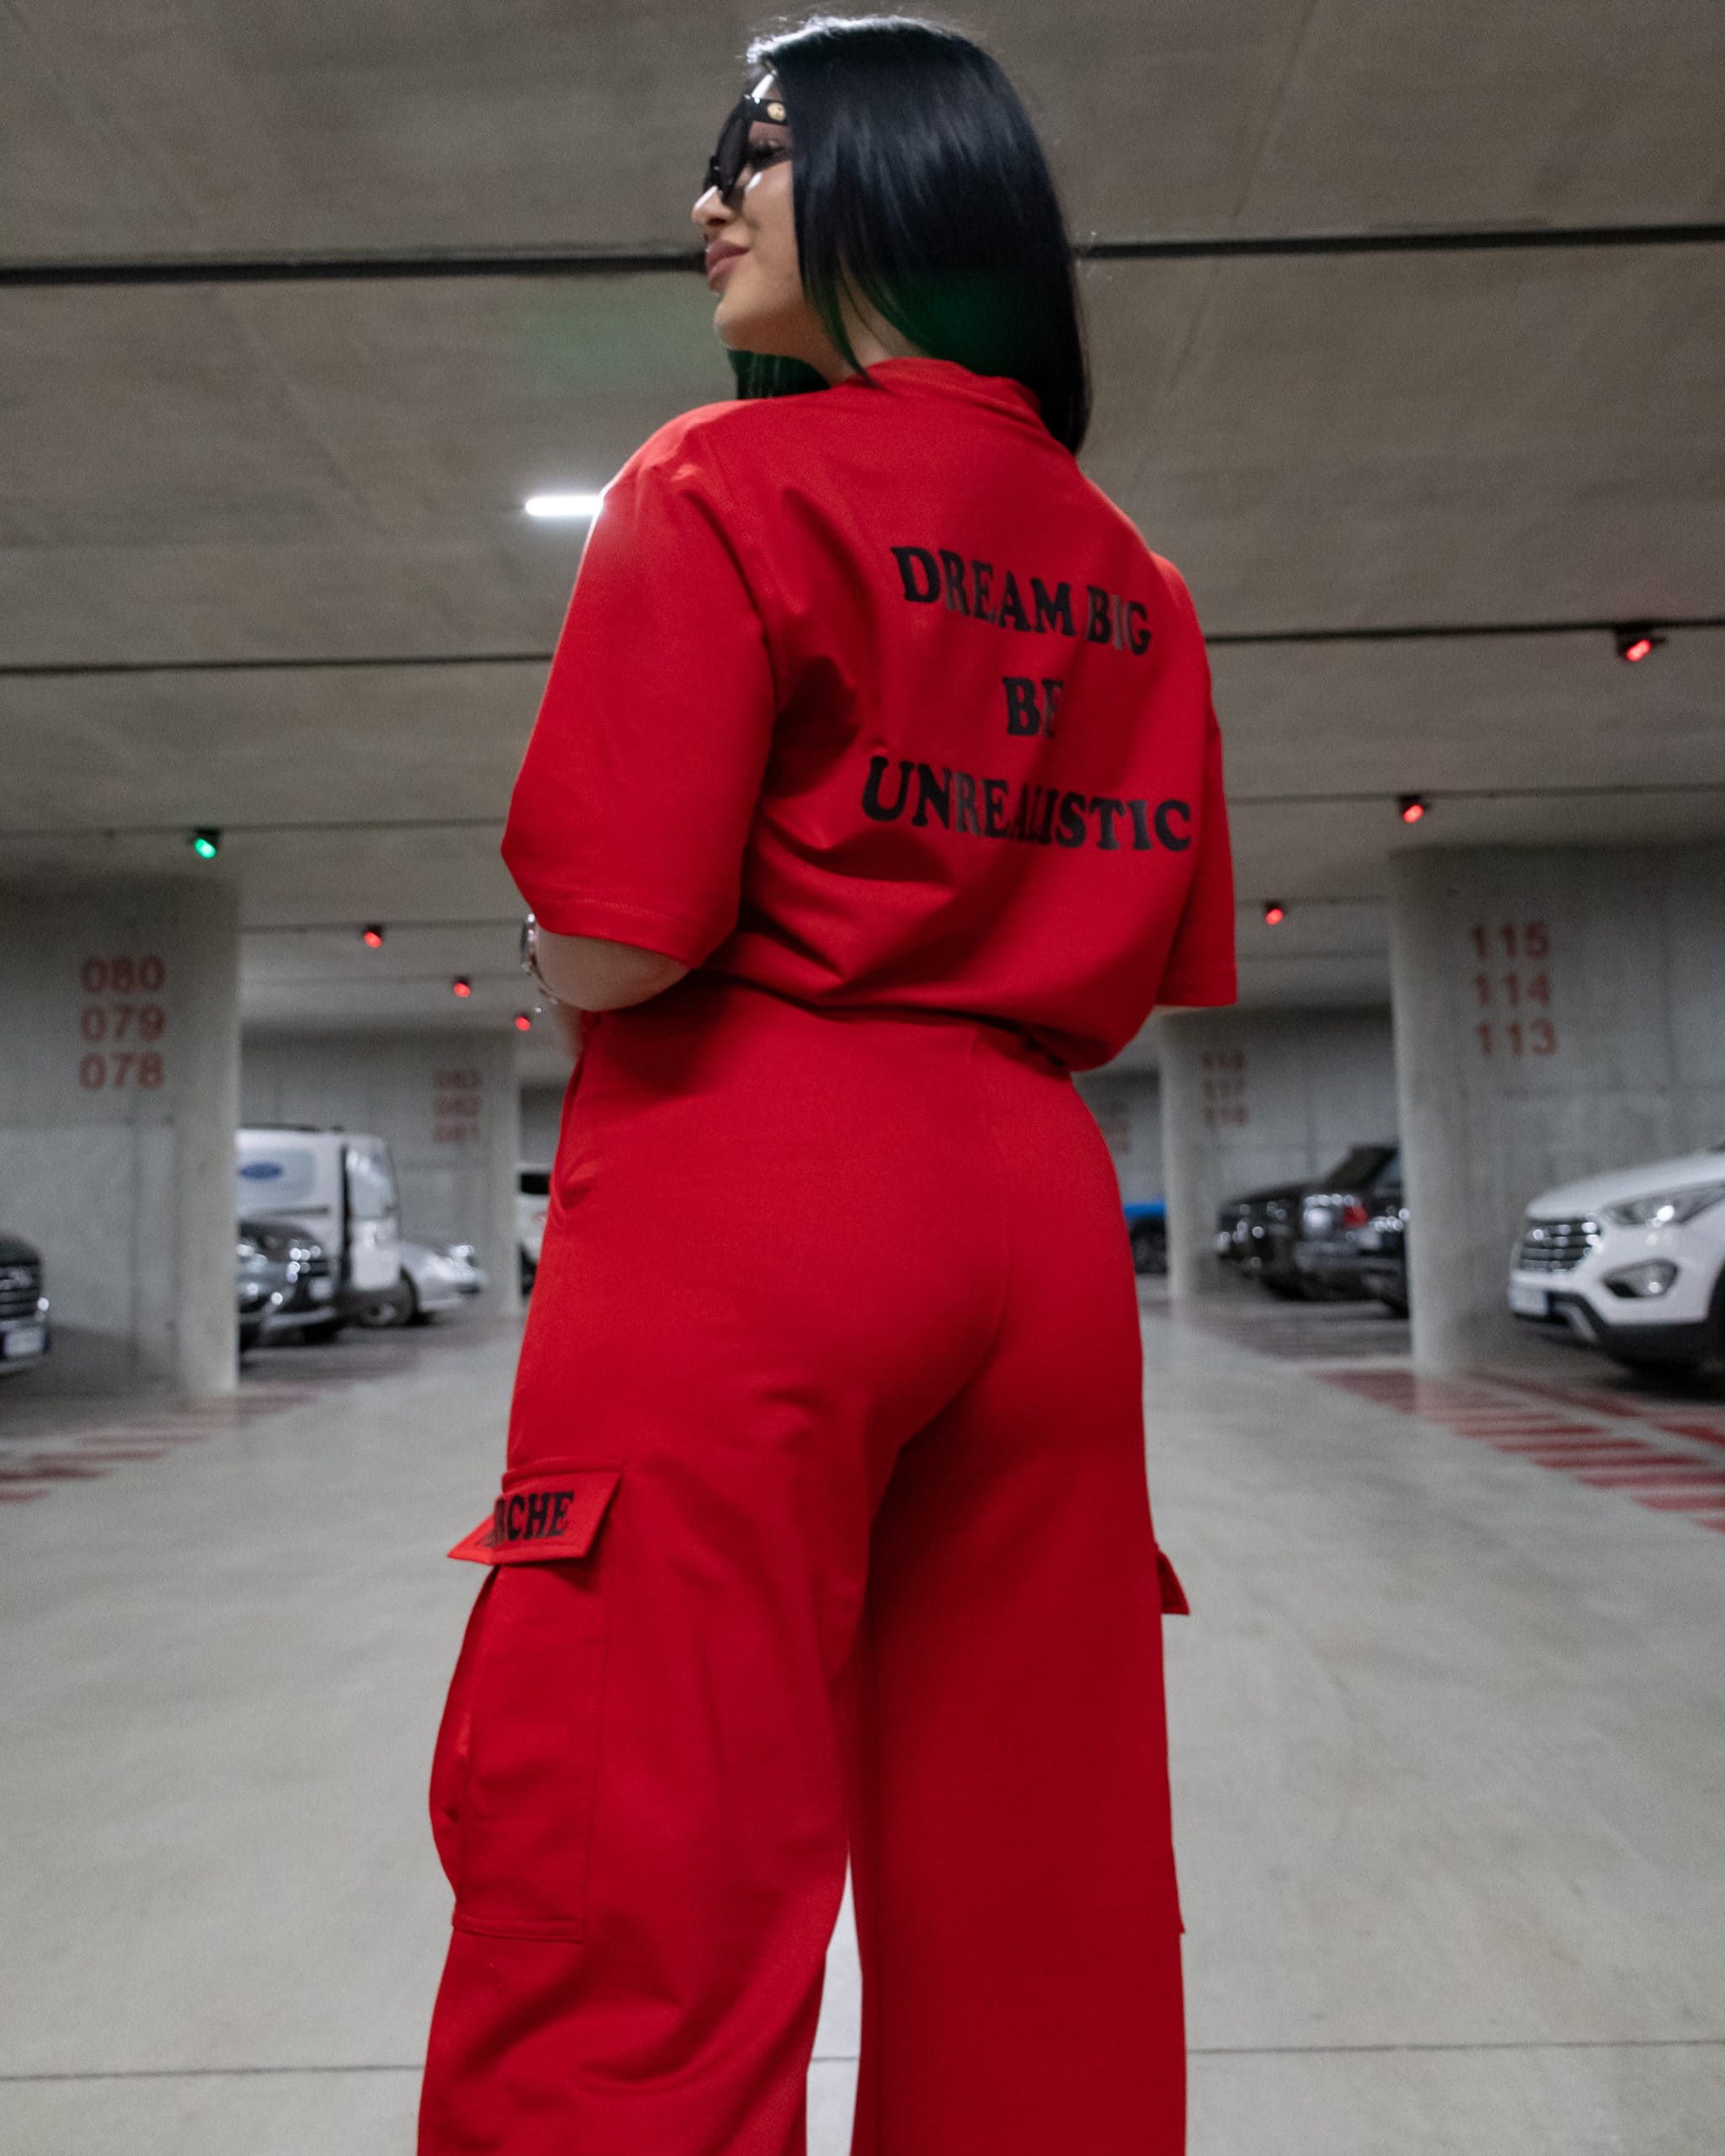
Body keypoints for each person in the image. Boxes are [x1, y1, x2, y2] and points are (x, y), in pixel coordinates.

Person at [418, 16, 1236, 2155]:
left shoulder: (721, 483)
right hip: (1036, 1211)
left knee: (639, 1837)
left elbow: (624, 934)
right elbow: (1150, 954)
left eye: (764, 153)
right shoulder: (1135, 579)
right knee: (1037, 1863)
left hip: (759, 1175)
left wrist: (551, 961)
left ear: (907, 183)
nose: (711, 198)